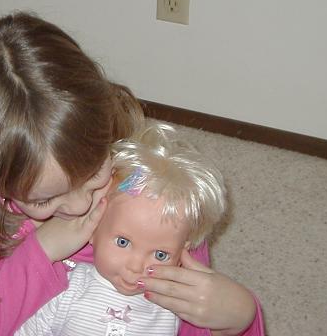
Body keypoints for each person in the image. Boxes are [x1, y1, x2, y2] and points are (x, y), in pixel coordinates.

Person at [0, 11, 264, 336]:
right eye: (44, 200)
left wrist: (241, 318)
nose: (81, 206)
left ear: (105, 126)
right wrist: (42, 250)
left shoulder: (144, 195)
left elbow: (183, 318)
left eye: (93, 173)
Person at [15, 122, 239, 336]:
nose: (136, 266)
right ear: (93, 229)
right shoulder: (68, 288)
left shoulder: (170, 308)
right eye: (123, 242)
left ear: (183, 252)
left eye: (160, 255)